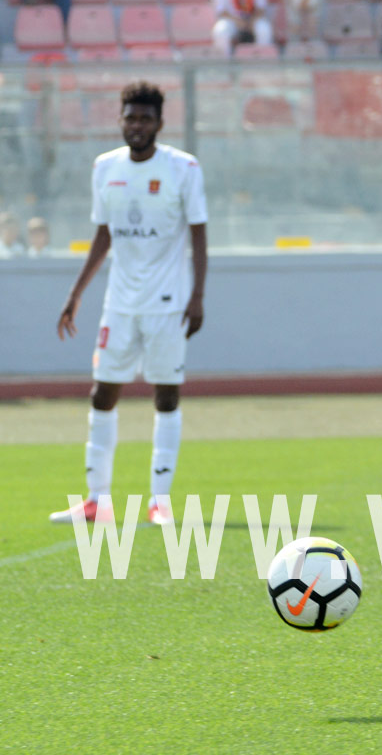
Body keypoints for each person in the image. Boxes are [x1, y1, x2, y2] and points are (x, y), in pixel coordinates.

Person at [51, 82, 208, 528]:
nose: (136, 126)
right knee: (102, 392)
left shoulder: (183, 168)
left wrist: (197, 296)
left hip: (168, 304)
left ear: (159, 123)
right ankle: (96, 501)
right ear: (120, 120)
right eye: (130, 118)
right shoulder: (105, 167)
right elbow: (104, 233)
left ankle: (160, 501)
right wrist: (76, 292)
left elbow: (199, 233)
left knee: (166, 394)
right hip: (118, 304)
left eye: (145, 118)